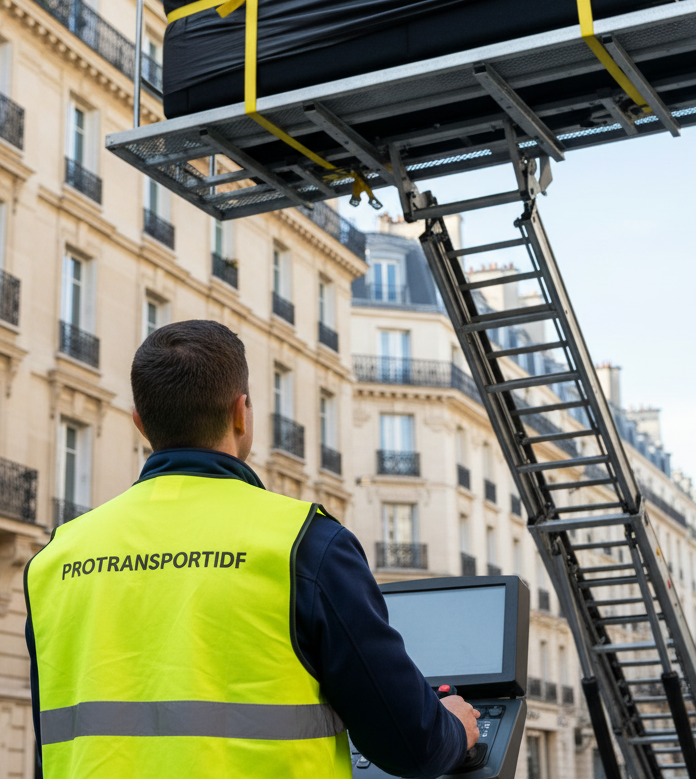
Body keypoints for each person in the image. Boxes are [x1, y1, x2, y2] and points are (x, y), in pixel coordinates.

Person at [25, 319, 480, 777]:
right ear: (241, 413)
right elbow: (411, 744)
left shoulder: (57, 558)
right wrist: (455, 729)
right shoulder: (305, 544)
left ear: (141, 423)